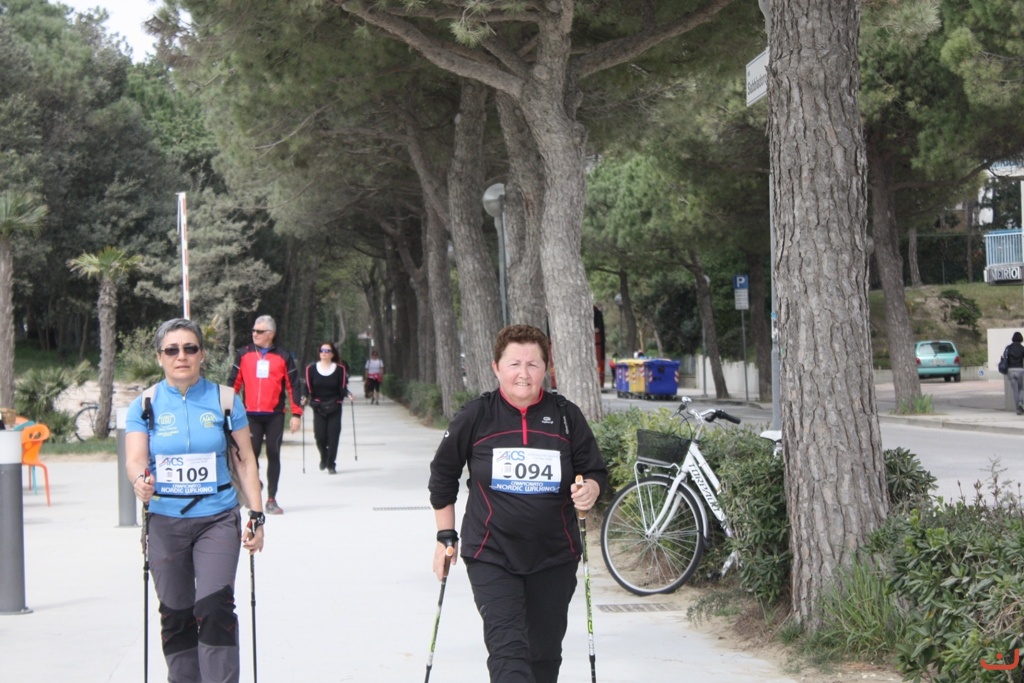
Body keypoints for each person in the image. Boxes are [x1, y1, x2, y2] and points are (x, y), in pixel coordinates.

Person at [428, 324, 608, 683]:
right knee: (508, 654)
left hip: (554, 555)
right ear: (496, 368)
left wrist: (591, 488)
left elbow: (595, 470)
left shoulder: (566, 416)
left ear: (546, 369)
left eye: (533, 364)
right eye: (514, 364)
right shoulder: (477, 416)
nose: (523, 373)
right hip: (491, 554)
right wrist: (445, 536)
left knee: (544, 658)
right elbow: (443, 474)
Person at [125, 318, 265, 683]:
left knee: (215, 608)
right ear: (160, 357)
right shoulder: (145, 404)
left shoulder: (225, 400)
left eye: (190, 348)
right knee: (176, 613)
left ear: (202, 354)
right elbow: (135, 459)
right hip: (165, 520)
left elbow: (245, 460)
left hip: (216, 518)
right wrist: (140, 481)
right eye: (172, 350)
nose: (181, 356)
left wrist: (257, 515)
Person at [227, 315, 303, 514]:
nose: (255, 334)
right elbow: (233, 382)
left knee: (273, 453)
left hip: (274, 414)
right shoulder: (244, 353)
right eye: (253, 330)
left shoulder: (283, 356)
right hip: (250, 415)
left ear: (271, 334)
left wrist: (296, 414)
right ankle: (254, 495)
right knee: (250, 455)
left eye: (259, 331)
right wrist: (226, 409)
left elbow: (293, 385)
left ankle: (271, 499)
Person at [304, 342, 351, 474]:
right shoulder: (311, 369)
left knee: (333, 436)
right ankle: (324, 456)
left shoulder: (340, 370)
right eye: (322, 350)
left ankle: (331, 464)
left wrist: (348, 394)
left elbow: (342, 388)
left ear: (332, 354)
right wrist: (304, 397)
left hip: (334, 405)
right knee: (319, 436)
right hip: (318, 406)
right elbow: (307, 388)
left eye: (327, 350)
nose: (324, 353)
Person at [1003, 331, 1024, 414]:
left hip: (1010, 370)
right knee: (1022, 388)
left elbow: (1004, 357)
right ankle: (1021, 402)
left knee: (1015, 390)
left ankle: (1018, 410)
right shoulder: (1022, 348)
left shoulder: (1008, 348)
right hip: (1020, 370)